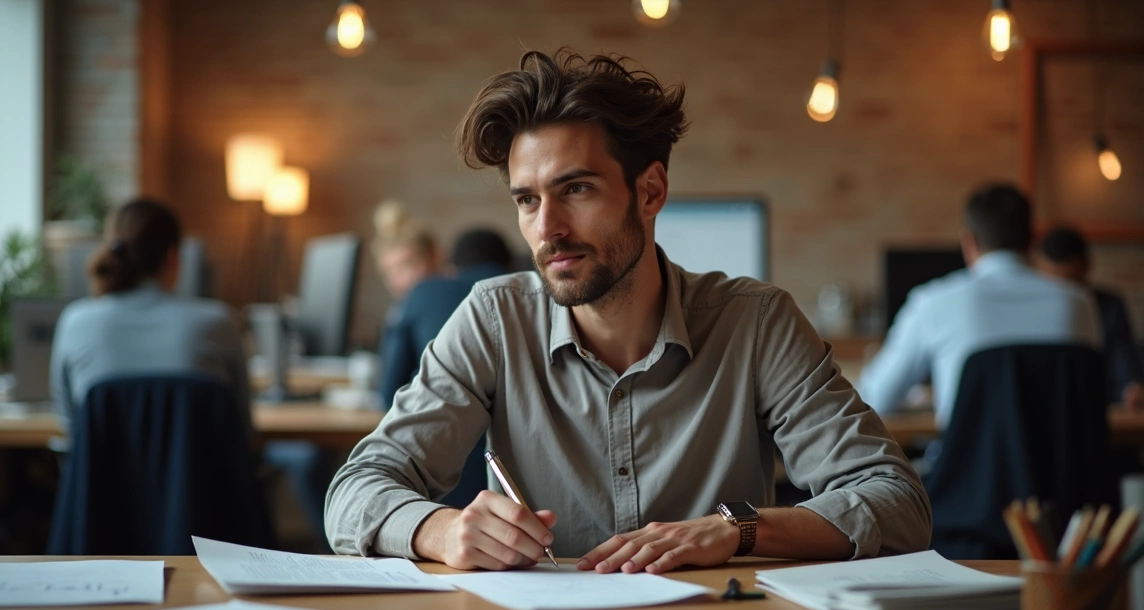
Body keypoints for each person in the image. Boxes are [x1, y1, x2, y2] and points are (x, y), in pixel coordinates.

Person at [326, 49, 931, 573]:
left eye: (576, 190)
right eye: (528, 200)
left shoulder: (756, 322)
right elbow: (354, 491)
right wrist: (441, 530)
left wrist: (737, 530)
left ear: (651, 191)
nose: (547, 229)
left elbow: (896, 501)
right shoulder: (493, 319)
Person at [858, 185, 1102, 428]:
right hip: (1066, 466)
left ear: (969, 241)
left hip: (968, 466)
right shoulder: (1079, 303)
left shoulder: (932, 303)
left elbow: (874, 399)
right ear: (1032, 240)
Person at [50, 198, 251, 436]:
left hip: (105, 474)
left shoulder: (75, 322)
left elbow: (69, 424)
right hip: (199, 473)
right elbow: (242, 428)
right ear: (173, 257)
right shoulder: (218, 322)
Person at [378, 228, 514, 408]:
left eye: (411, 264)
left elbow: (389, 393)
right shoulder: (527, 294)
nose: (405, 278)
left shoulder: (423, 295)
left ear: (436, 256)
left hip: (441, 421)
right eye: (393, 272)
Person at [1035, 226, 1144, 411]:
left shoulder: (1109, 306)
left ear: (1086, 267)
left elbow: (1123, 362)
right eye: (1054, 287)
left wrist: (1131, 387)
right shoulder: (1031, 308)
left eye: (1070, 284)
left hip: (1100, 405)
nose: (1063, 296)